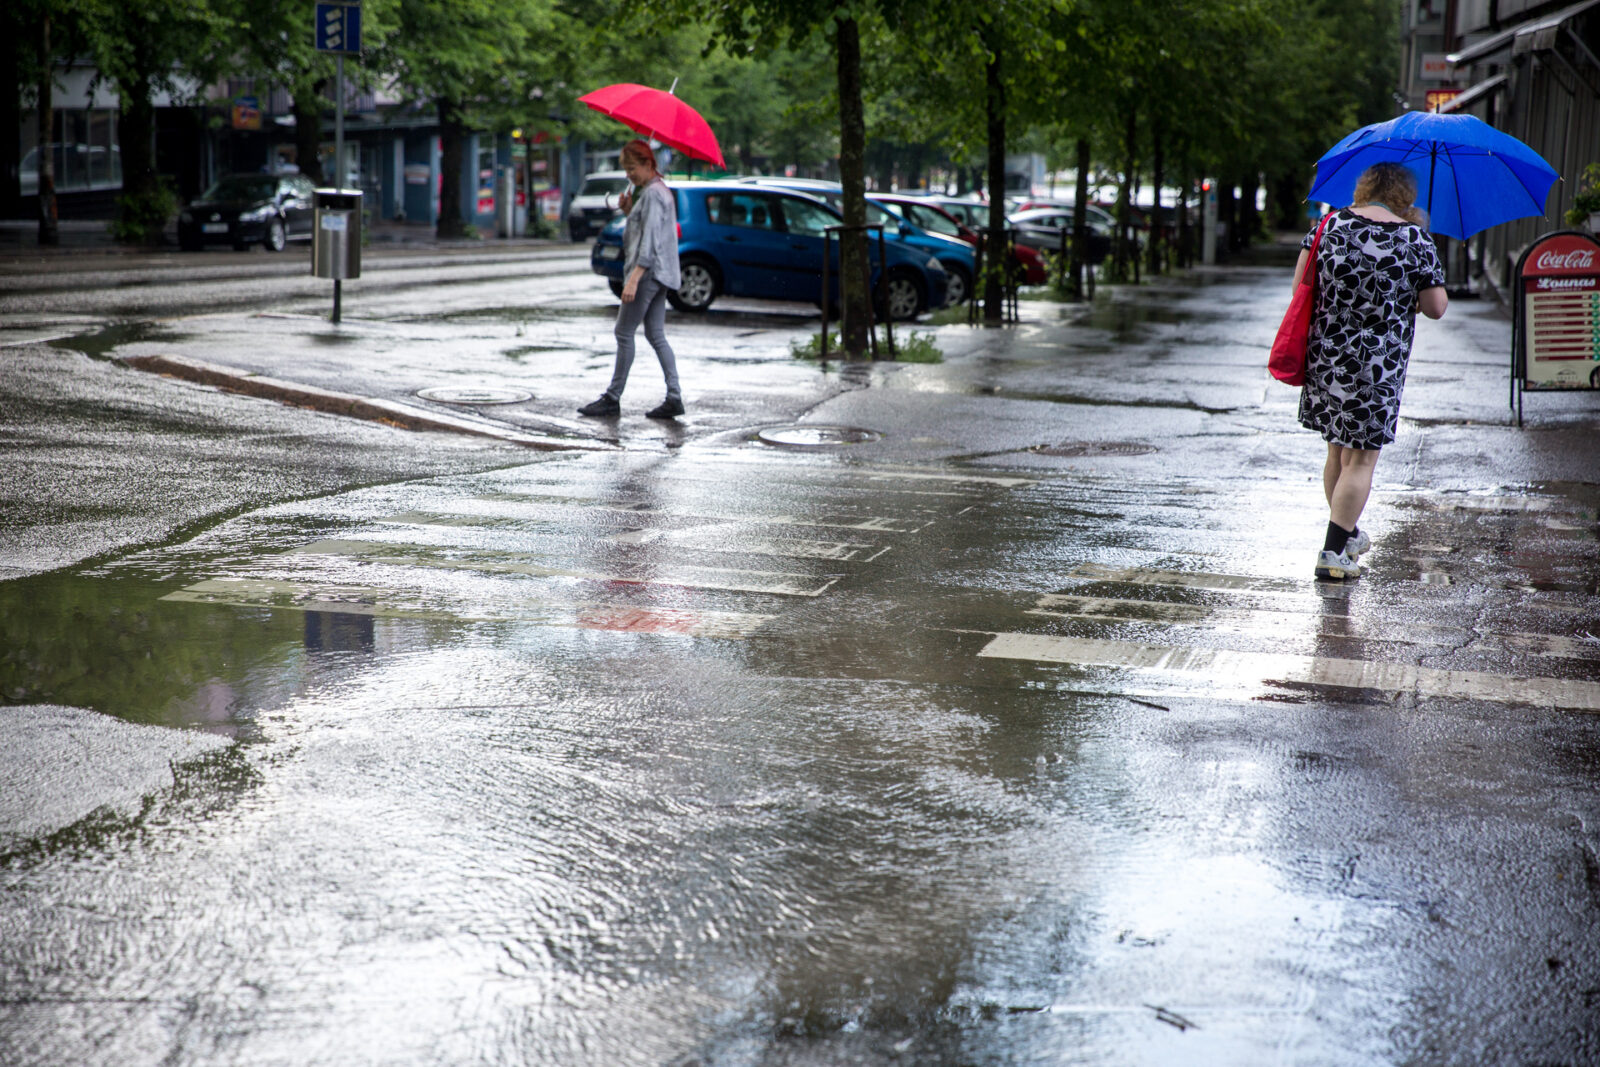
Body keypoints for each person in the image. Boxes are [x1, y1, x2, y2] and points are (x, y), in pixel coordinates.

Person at [1294, 162, 1448, 580]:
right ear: (1405, 195)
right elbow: (1435, 307)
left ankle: (1346, 537)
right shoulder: (1415, 238)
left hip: (1326, 357)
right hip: (1377, 365)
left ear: (1364, 188)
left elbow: (1301, 289)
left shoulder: (1327, 227)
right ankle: (1331, 554)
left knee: (1337, 453)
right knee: (1360, 461)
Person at [578, 140, 684, 419]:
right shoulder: (654, 192)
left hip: (648, 273)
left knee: (624, 332)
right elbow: (646, 231)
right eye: (626, 169)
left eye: (632, 168)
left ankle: (612, 398)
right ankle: (674, 396)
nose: (628, 174)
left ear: (649, 164)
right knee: (655, 334)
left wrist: (635, 277)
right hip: (660, 273)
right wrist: (628, 211)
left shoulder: (652, 195)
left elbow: (649, 242)